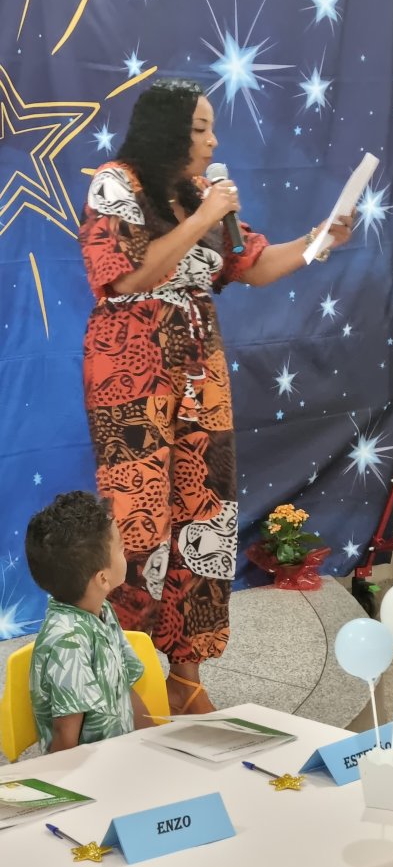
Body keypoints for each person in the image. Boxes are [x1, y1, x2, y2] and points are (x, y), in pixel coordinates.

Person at [78, 78, 353, 716]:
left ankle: (186, 675)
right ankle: (126, 676)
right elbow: (124, 277)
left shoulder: (202, 192)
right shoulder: (116, 185)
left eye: (210, 128)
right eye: (200, 128)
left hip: (201, 374)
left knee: (206, 518)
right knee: (138, 521)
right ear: (168, 131)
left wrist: (318, 241)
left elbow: (252, 265)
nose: (212, 141)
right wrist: (201, 219)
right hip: (131, 373)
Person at [26, 491, 152, 753]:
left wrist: (157, 743)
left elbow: (124, 688)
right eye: (121, 548)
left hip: (120, 756)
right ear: (103, 579)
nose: (127, 551)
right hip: (88, 769)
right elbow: (65, 738)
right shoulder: (68, 642)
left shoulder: (102, 610)